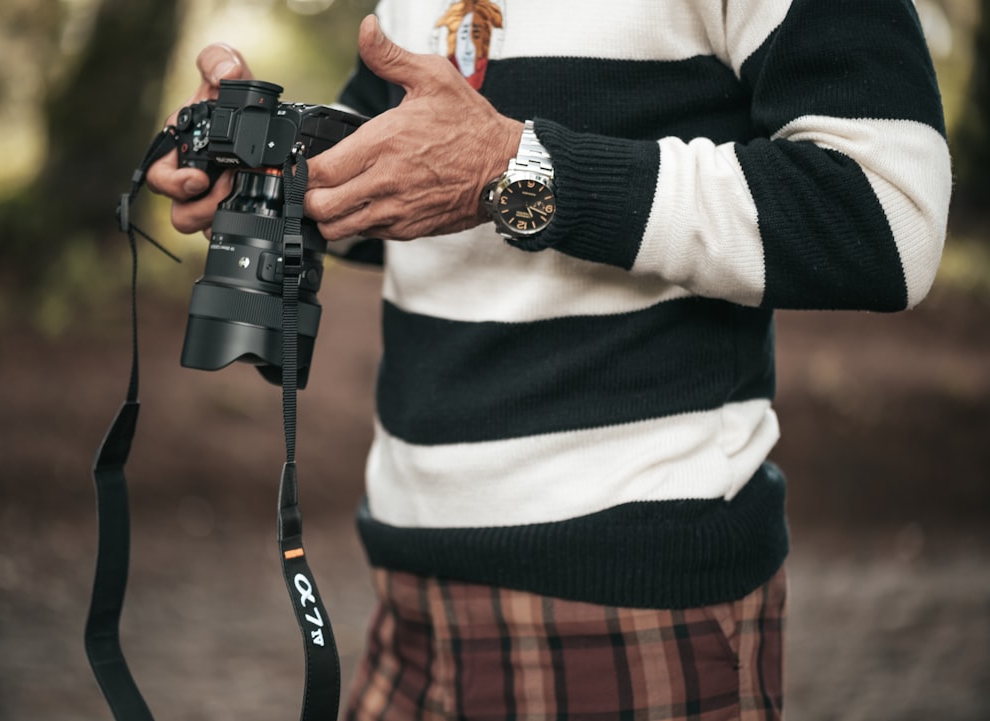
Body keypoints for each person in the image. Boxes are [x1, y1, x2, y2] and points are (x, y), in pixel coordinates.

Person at [147, 1, 951, 718]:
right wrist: (265, 171)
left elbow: (888, 215)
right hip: (407, 595)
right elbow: (412, 164)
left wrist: (517, 171)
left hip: (628, 603)